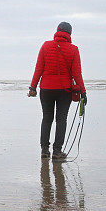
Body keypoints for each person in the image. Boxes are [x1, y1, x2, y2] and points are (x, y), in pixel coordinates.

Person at [28, 22, 87, 160]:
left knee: (47, 118)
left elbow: (39, 68)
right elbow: (77, 73)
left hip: (46, 89)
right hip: (64, 90)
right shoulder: (73, 49)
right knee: (61, 120)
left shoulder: (46, 46)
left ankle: (44, 150)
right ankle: (57, 151)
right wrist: (83, 91)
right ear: (70, 33)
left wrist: (33, 87)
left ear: (57, 31)